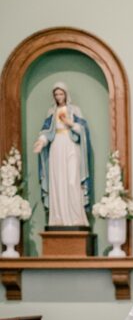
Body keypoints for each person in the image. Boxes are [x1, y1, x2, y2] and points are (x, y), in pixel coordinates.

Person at [33, 82, 93, 227]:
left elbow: (82, 130)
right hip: (56, 147)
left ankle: (76, 217)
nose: (59, 97)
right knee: (58, 182)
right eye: (56, 94)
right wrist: (41, 142)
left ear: (66, 94)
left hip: (71, 145)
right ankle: (58, 218)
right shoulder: (51, 112)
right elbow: (47, 132)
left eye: (61, 94)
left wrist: (70, 123)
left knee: (72, 180)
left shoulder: (75, 110)